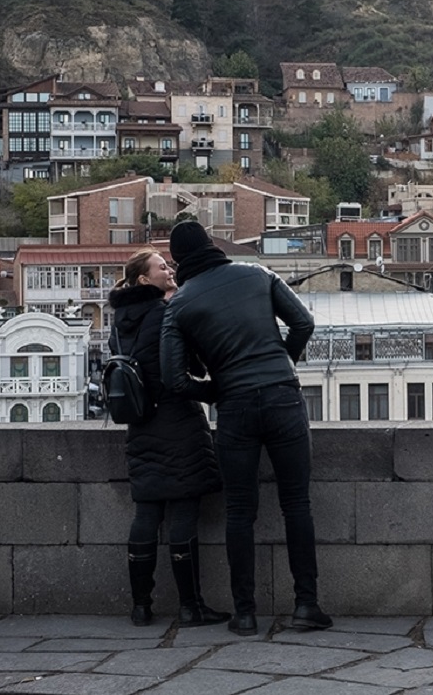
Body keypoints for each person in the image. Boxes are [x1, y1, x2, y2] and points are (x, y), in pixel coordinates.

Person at [160, 221, 326, 636]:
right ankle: (306, 605)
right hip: (283, 398)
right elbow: (303, 323)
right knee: (297, 505)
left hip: (234, 408)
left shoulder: (179, 305)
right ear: (212, 245)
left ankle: (245, 613)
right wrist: (280, 364)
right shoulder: (257, 274)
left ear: (178, 261)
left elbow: (174, 380)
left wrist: (217, 390)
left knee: (239, 511)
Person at [109, 248, 230, 628]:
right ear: (145, 279)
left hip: (141, 423)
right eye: (162, 267)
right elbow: (188, 366)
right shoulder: (166, 313)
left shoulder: (119, 321)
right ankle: (191, 606)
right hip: (177, 420)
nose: (170, 269)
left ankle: (141, 606)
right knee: (182, 513)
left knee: (147, 512)